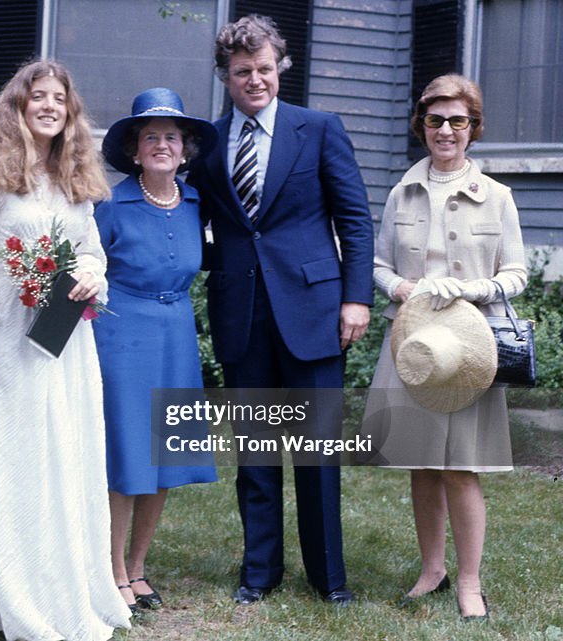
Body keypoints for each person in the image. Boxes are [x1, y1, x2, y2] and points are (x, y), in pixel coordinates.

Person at [186, 14, 374, 605]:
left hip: (316, 310)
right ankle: (259, 574)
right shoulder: (209, 143)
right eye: (243, 72)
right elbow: (199, 224)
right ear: (226, 76)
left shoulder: (318, 128)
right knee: (257, 456)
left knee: (318, 454)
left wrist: (356, 298)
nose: (255, 80)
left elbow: (355, 220)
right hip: (242, 313)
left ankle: (329, 579)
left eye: (264, 69)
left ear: (279, 68)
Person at [0, 59, 132, 640]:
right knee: (16, 458)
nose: (50, 106)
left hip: (65, 337)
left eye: (60, 99)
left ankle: (69, 584)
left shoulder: (74, 181)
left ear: (70, 113)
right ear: (19, 108)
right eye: (38, 98)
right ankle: (18, 591)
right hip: (7, 337)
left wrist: (90, 279)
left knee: (66, 457)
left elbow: (94, 253)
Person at [366, 73, 526, 621]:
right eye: (435, 120)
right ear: (422, 126)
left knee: (461, 467)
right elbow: (379, 265)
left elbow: (517, 273)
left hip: (469, 349)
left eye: (458, 121)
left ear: (473, 128)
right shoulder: (400, 192)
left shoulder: (498, 197)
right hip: (415, 345)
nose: (446, 131)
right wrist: (401, 288)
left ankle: (469, 582)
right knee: (420, 463)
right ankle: (432, 570)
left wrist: (476, 289)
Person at [94, 87, 219, 612]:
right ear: (134, 148)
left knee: (166, 454)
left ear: (185, 148)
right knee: (128, 456)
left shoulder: (195, 202)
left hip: (175, 333)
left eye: (171, 137)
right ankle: (113, 569)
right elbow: (80, 272)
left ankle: (140, 566)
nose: (162, 145)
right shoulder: (110, 202)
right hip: (122, 333)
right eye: (151, 137)